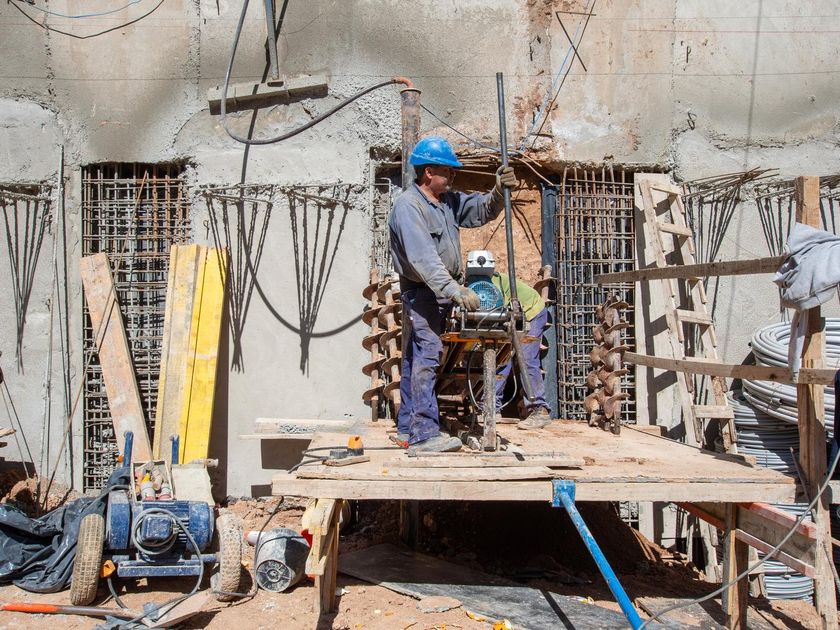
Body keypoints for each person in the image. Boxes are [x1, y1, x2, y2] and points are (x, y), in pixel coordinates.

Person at [388, 136, 517, 452]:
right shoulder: (409, 207)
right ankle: (423, 435)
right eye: (448, 170)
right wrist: (454, 289)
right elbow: (423, 259)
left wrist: (498, 191)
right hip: (422, 293)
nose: (453, 175)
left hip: (438, 294)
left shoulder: (446, 203)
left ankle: (407, 428)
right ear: (428, 172)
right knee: (428, 354)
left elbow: (481, 210)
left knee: (415, 357)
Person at [490, 269, 553, 429]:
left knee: (526, 359)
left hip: (532, 312)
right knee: (502, 359)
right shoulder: (484, 282)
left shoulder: (491, 284)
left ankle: (539, 410)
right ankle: (492, 407)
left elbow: (500, 310)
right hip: (515, 316)